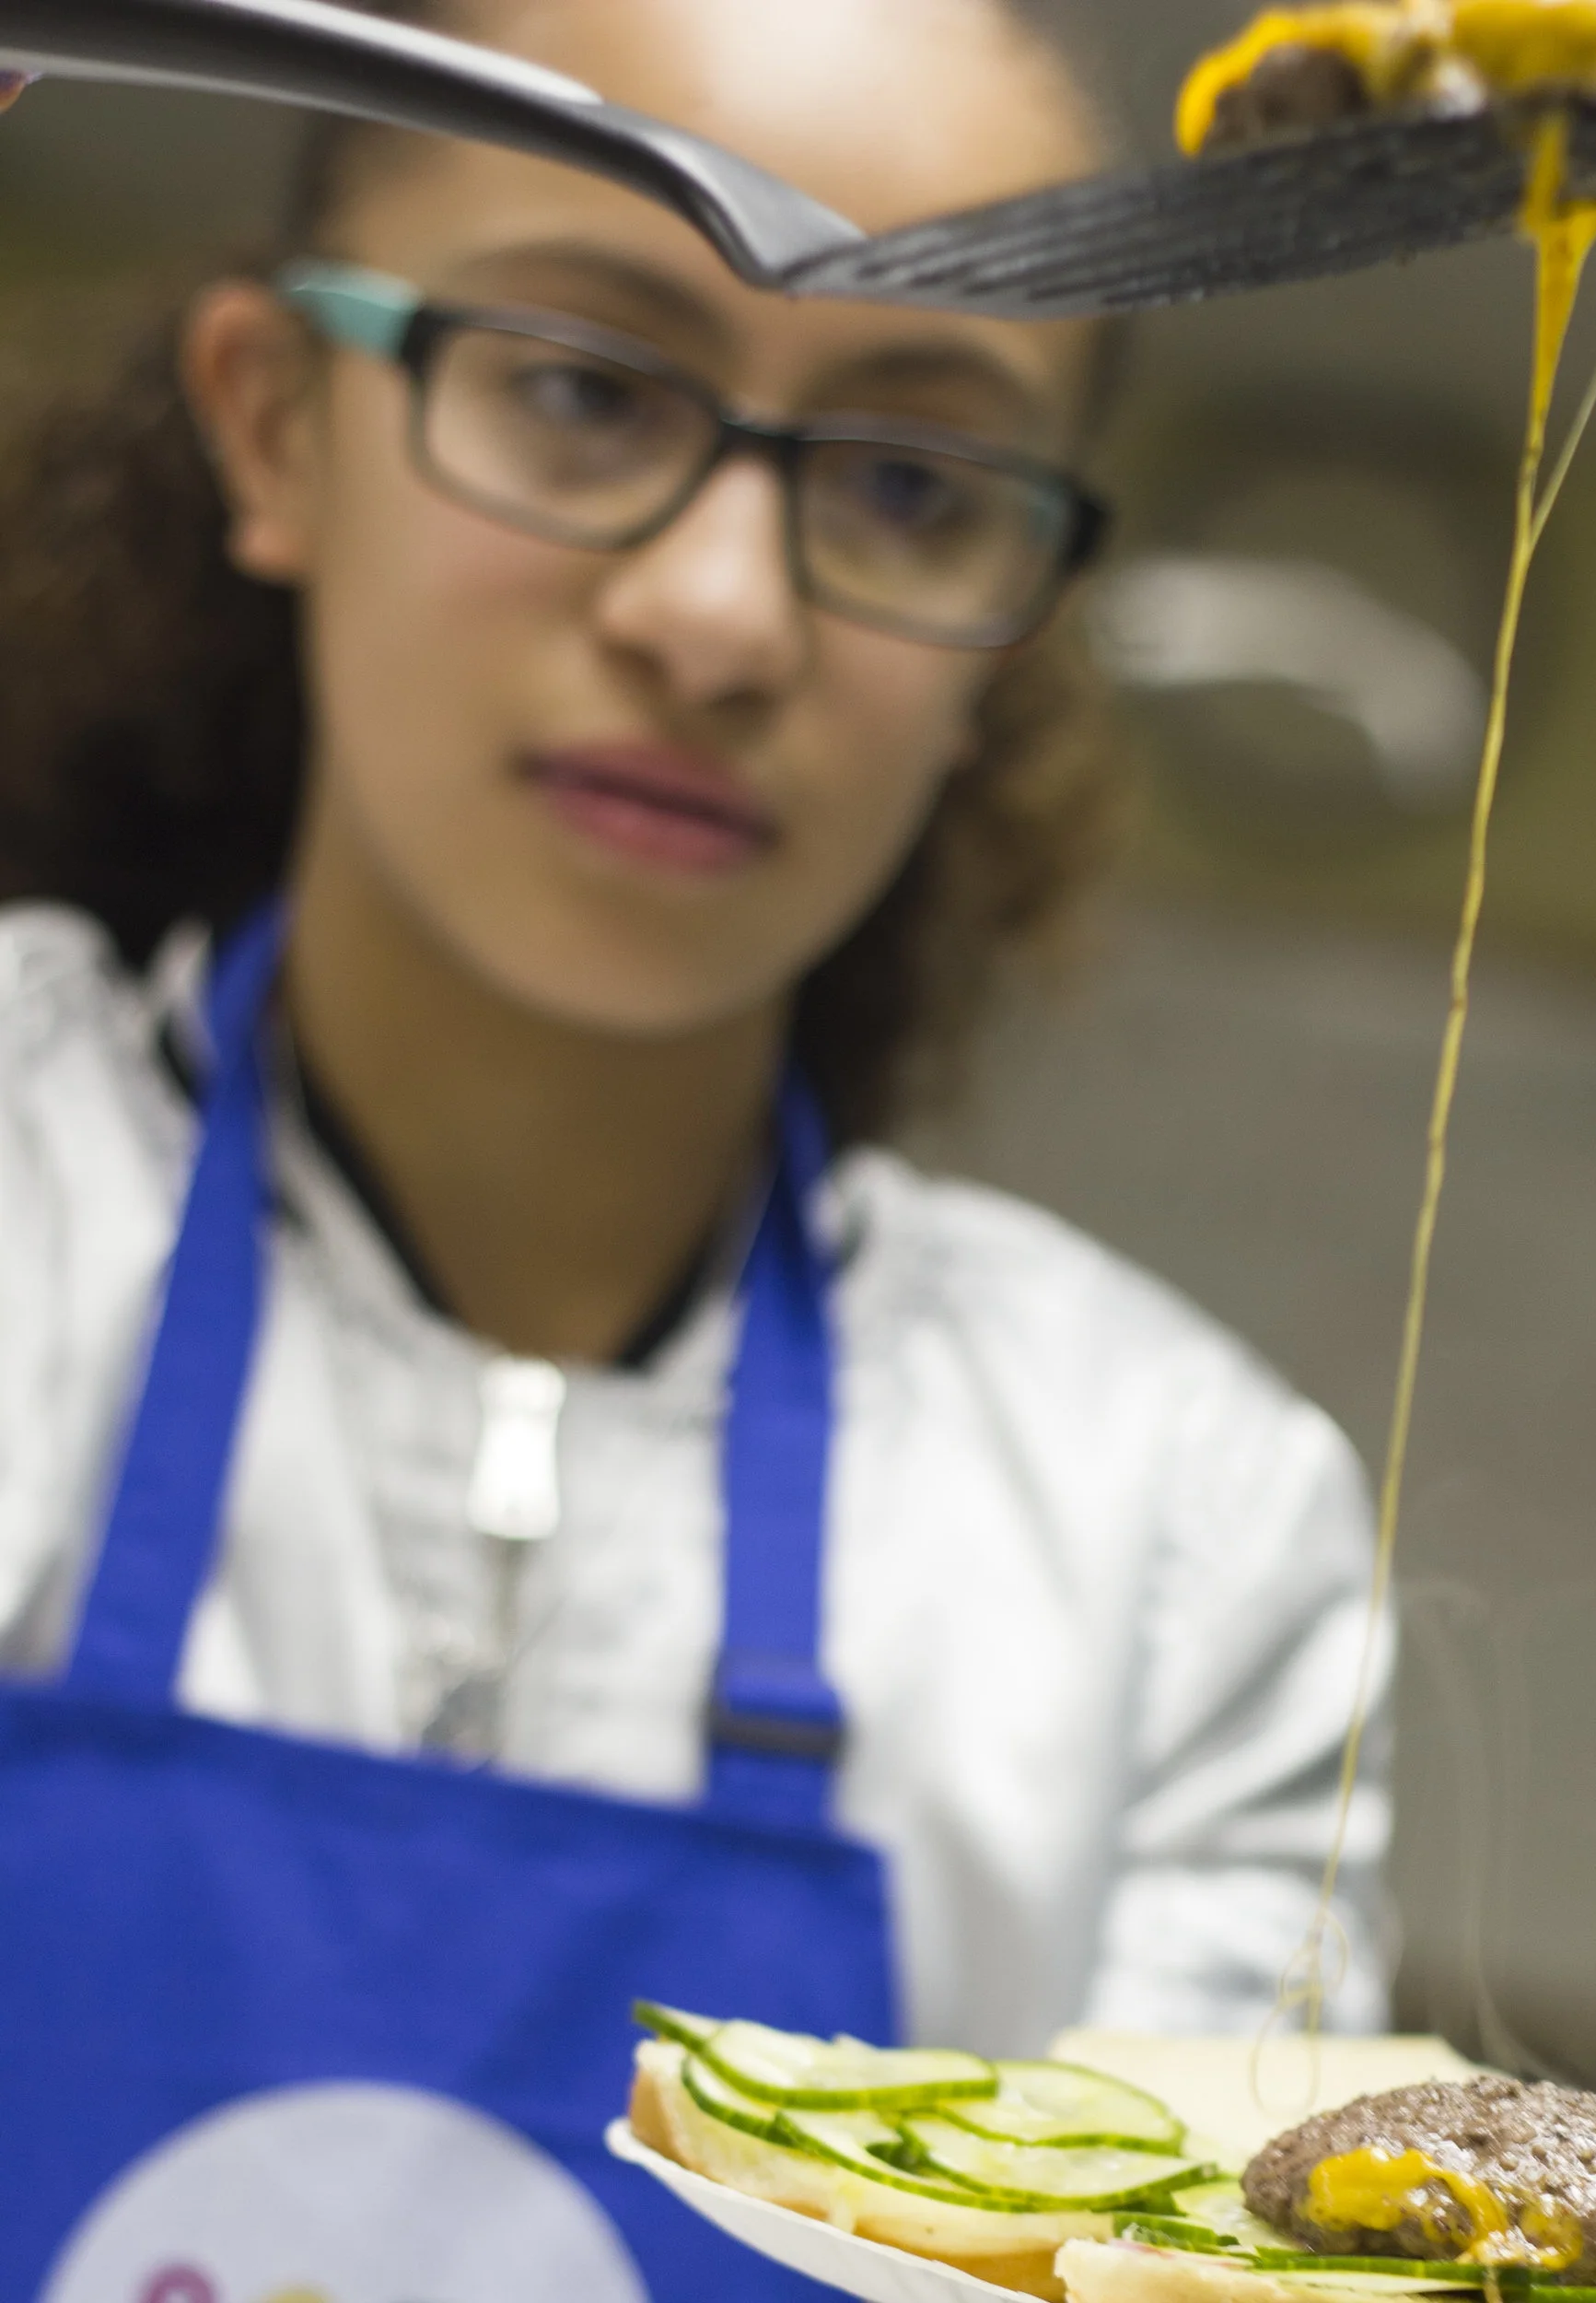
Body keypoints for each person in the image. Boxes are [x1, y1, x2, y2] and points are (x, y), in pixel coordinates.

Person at [0, 2, 1389, 2292]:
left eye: (914, 482)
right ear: (275, 424)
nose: (718, 613)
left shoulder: (1175, 1533)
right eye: (579, 382)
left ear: (1001, 640)